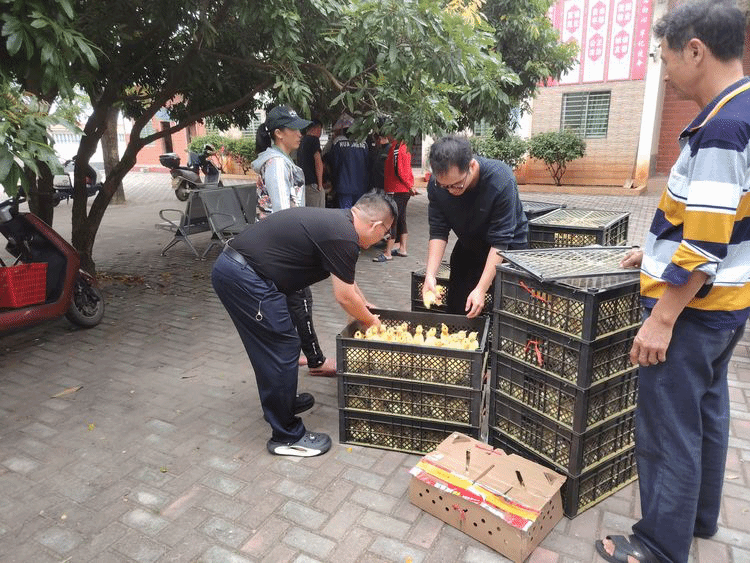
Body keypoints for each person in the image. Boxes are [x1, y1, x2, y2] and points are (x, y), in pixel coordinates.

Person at [595, 3, 750, 563]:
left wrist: (662, 318)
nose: (664, 73)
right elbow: (721, 218)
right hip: (729, 307)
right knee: (706, 413)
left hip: (692, 313)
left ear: (696, 50)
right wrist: (655, 251)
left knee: (667, 428)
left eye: (665, 58)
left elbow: (704, 247)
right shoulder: (743, 111)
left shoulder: (722, 129)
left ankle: (659, 545)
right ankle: (699, 518)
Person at [211, 192, 397, 457]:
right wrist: (371, 322)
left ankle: (282, 404)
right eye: (386, 233)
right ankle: (286, 436)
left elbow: (347, 280)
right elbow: (344, 297)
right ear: (377, 226)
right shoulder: (343, 236)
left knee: (274, 349)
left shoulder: (341, 225)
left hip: (245, 271)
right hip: (246, 278)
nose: (384, 238)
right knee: (281, 348)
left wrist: (364, 305)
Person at [252, 106, 336, 376]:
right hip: (281, 244)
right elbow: (282, 211)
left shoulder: (279, 160)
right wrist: (297, 248)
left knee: (289, 301)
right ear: (279, 133)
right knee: (301, 300)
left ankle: (293, 353)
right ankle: (316, 361)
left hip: (277, 243)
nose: (300, 134)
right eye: (294, 129)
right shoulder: (276, 164)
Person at [422, 135, 527, 317]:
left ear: (472, 166)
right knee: (457, 303)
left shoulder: (500, 180)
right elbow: (439, 231)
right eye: (445, 186)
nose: (451, 191)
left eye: (457, 185)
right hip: (470, 242)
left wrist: (481, 288)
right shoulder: (437, 185)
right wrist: (430, 275)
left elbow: (500, 241)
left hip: (508, 249)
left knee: (501, 309)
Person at [373, 137, 416, 262]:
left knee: (392, 220)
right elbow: (407, 170)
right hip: (401, 190)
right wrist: (410, 186)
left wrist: (409, 186)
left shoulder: (398, 148)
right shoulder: (402, 147)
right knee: (401, 219)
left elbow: (400, 171)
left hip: (397, 190)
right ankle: (402, 249)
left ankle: (388, 253)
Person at [327, 114, 369, 209]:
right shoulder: (364, 143)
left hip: (343, 186)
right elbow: (367, 164)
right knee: (358, 212)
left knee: (345, 213)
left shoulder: (338, 142)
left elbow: (334, 163)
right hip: (361, 186)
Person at [296, 118, 326, 208]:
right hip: (313, 184)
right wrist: (320, 185)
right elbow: (318, 162)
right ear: (317, 128)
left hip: (303, 183)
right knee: (318, 212)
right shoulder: (314, 140)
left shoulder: (301, 141)